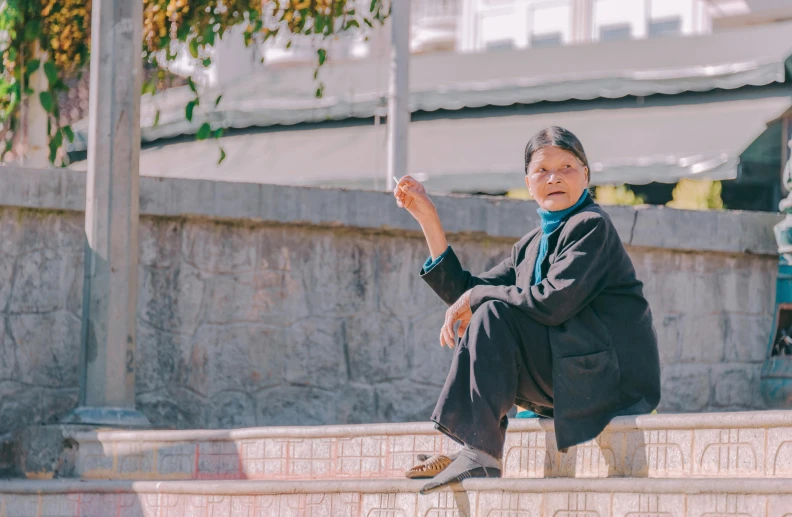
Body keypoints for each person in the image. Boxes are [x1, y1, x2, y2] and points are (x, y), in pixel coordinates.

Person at [393, 126, 661, 494]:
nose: (555, 177)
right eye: (543, 170)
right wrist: (428, 219)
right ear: (528, 183)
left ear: (586, 176)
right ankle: (475, 447)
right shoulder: (531, 245)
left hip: (609, 381)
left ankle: (479, 452)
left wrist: (475, 301)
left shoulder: (591, 227)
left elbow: (552, 302)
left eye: (568, 167)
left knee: (489, 312)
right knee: (486, 311)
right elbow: (467, 291)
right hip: (568, 369)